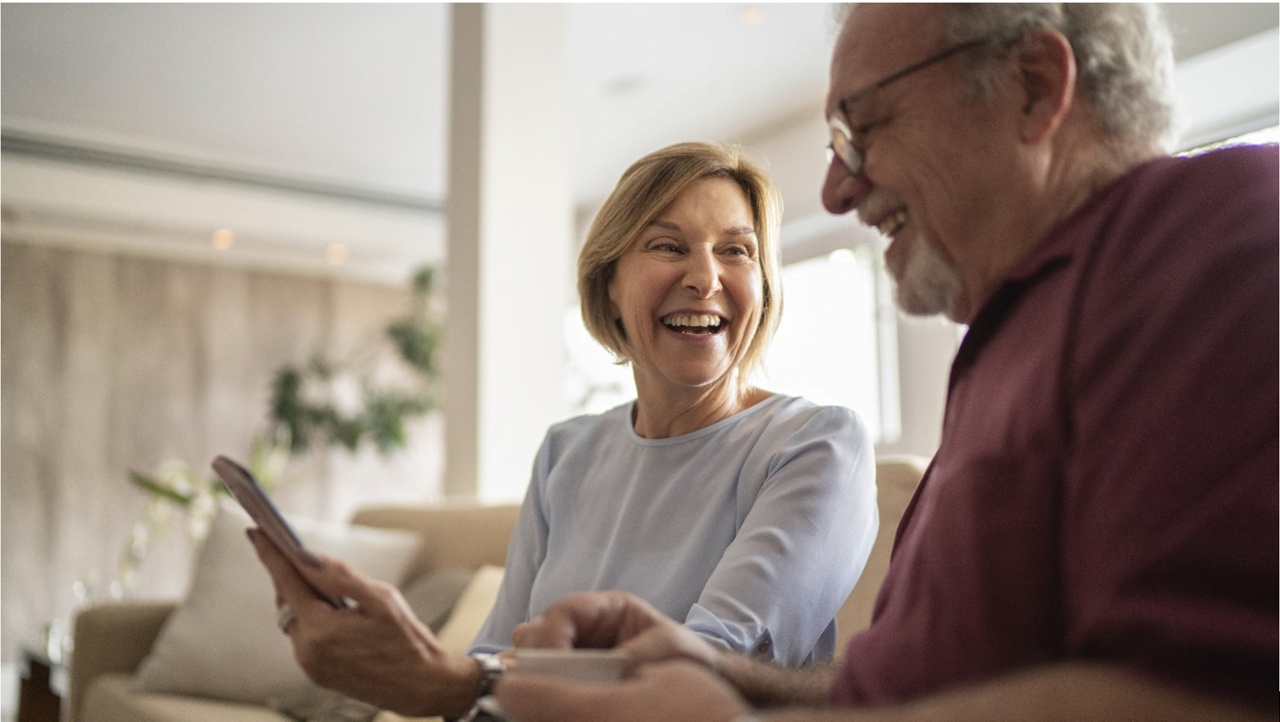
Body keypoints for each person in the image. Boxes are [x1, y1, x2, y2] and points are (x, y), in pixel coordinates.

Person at [491, 4, 1278, 720]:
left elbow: (1208, 694)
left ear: (1034, 89)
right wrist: (728, 674)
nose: (836, 189)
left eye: (861, 128)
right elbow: (919, 691)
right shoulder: (1009, 346)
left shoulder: (1217, 232)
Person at [249, 141, 879, 719]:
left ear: (764, 288)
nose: (706, 277)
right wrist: (447, 677)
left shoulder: (815, 445)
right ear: (607, 291)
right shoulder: (566, 452)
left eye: (736, 250)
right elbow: (495, 653)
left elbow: (697, 675)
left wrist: (450, 679)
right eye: (668, 246)